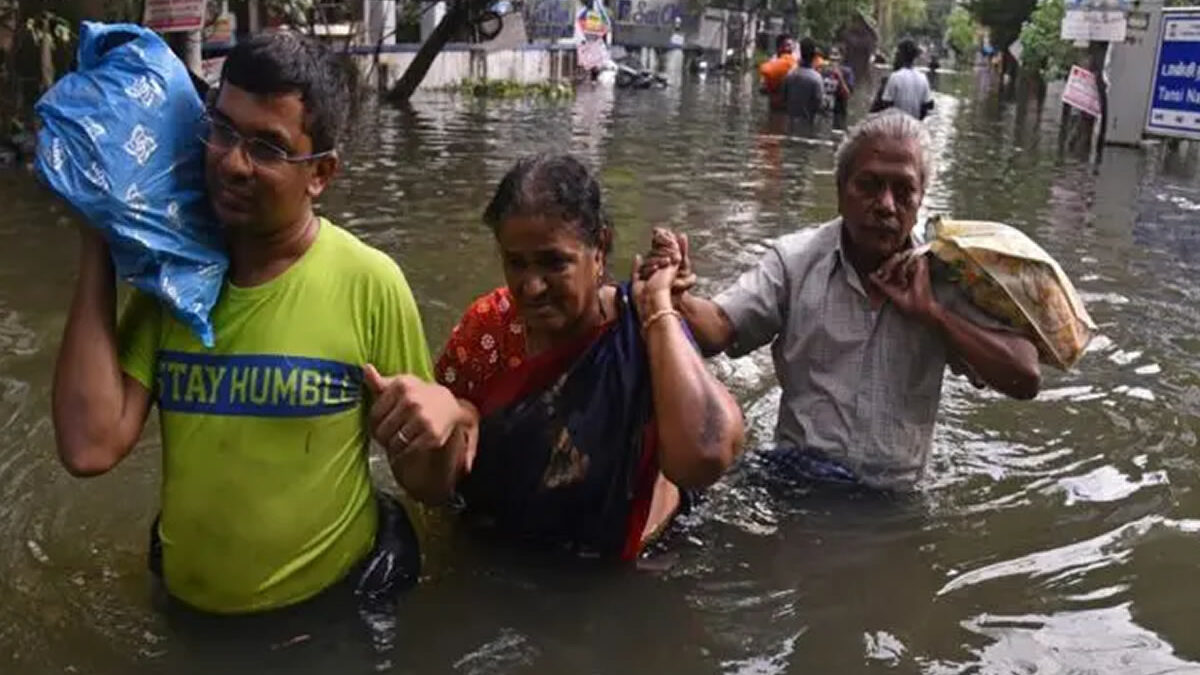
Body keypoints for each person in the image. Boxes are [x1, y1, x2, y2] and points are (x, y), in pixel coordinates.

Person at [51, 32, 475, 615]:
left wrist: (442, 421)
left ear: (321, 173)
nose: (232, 163)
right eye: (222, 130)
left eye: (268, 148)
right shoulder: (176, 280)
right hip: (184, 609)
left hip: (324, 617)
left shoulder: (369, 283)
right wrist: (100, 235)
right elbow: (88, 447)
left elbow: (430, 486)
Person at [641, 111, 1041, 490]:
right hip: (795, 478)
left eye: (903, 191)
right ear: (840, 192)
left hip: (892, 498)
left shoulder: (944, 278)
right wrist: (678, 297)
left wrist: (933, 315)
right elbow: (719, 331)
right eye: (869, 185)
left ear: (920, 201)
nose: (885, 205)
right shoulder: (795, 262)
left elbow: (1025, 377)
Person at [395, 154, 745, 559]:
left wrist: (660, 307)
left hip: (631, 565)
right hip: (510, 555)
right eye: (515, 263)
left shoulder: (642, 327)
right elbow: (433, 487)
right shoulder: (489, 327)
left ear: (600, 249)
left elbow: (706, 456)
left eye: (553, 262)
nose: (532, 286)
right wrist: (448, 420)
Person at [877, 38, 933, 120]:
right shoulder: (923, 77)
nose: (895, 57)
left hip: (896, 125)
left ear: (901, 55)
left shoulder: (895, 77)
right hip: (915, 126)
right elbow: (929, 105)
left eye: (897, 54)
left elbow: (886, 104)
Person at [781, 38, 827, 128]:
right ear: (814, 55)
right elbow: (820, 104)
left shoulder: (790, 75)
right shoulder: (816, 79)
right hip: (808, 125)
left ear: (800, 54)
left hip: (789, 124)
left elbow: (783, 98)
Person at [760, 34, 797, 112]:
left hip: (790, 107)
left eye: (792, 46)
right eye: (787, 45)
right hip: (775, 106)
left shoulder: (795, 63)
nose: (790, 48)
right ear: (779, 47)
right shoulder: (772, 63)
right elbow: (762, 88)